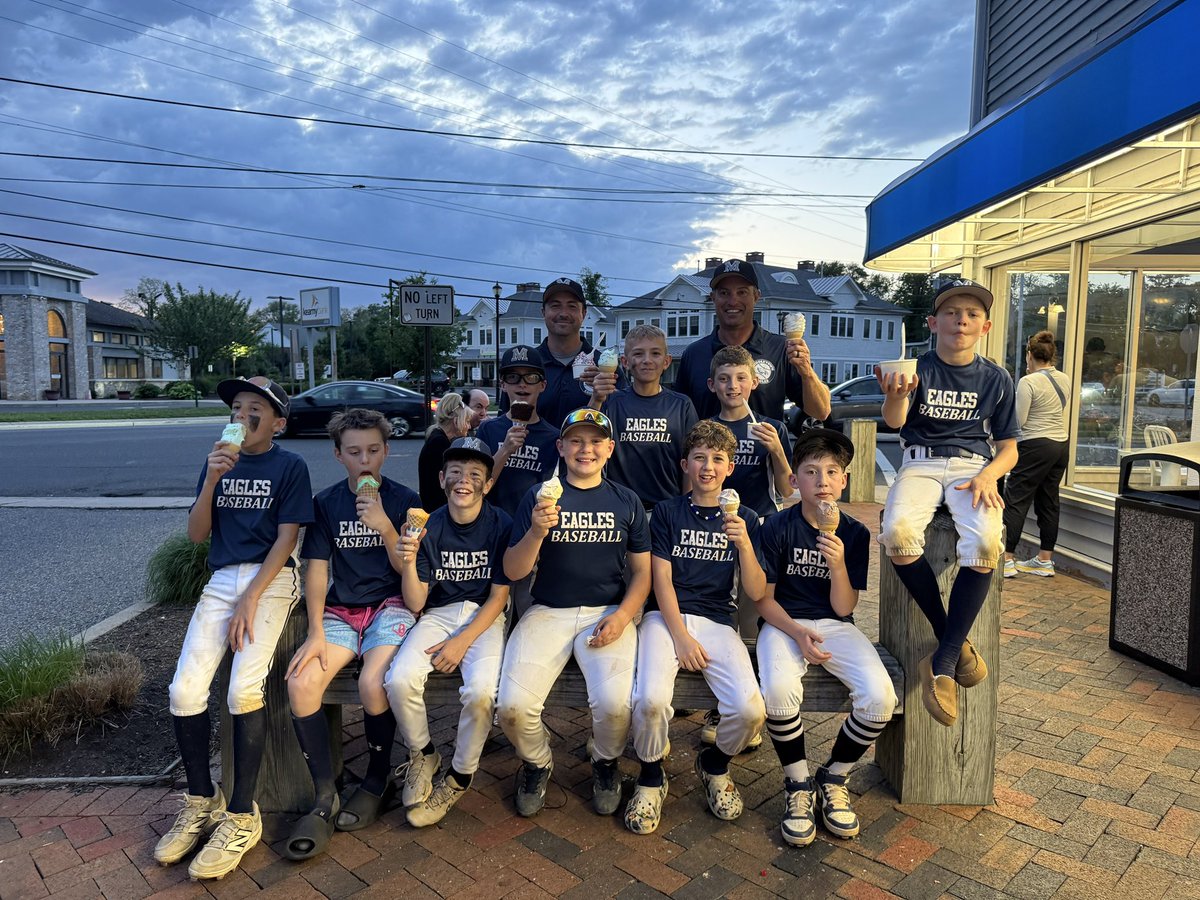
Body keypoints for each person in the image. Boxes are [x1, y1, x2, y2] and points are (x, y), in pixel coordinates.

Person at [154, 376, 313, 881]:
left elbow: (288, 539)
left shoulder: (290, 466)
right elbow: (198, 534)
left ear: (278, 422)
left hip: (271, 578)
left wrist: (252, 598)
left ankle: (242, 814)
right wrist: (211, 483)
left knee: (244, 689)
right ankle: (201, 800)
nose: (243, 415)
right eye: (238, 407)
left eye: (256, 409)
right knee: (184, 689)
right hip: (223, 577)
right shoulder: (217, 460)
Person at [878, 279, 1018, 728]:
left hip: (971, 468)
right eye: (953, 312)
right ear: (933, 321)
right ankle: (951, 642)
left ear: (986, 325)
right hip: (919, 462)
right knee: (898, 534)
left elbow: (1010, 447)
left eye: (972, 314)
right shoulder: (915, 367)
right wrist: (895, 395)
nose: (962, 319)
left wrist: (988, 474)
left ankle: (942, 665)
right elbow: (895, 421)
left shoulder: (996, 378)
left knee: (987, 544)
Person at [497, 408, 651, 818]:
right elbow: (514, 570)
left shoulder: (627, 500)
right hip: (548, 610)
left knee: (616, 706)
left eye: (596, 441)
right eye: (577, 441)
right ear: (561, 447)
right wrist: (535, 532)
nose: (587, 449)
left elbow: (642, 574)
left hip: (607, 611)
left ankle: (604, 761)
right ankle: (537, 761)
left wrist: (623, 616)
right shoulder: (539, 495)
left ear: (610, 449)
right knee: (511, 706)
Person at [283, 408, 419, 858]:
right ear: (339, 455)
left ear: (386, 452)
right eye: (355, 452)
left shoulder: (405, 501)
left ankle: (377, 778)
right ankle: (326, 793)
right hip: (342, 611)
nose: (366, 461)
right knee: (302, 682)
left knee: (371, 681)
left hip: (391, 606)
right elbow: (317, 570)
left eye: (374, 451)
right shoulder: (326, 504)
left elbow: (410, 572)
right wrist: (315, 630)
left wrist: (383, 526)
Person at [756, 428, 897, 846]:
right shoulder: (777, 526)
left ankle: (834, 776)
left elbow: (842, 608)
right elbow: (764, 601)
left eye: (831, 472)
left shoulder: (852, 533)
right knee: (779, 691)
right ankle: (798, 785)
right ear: (794, 480)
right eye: (811, 472)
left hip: (835, 625)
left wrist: (837, 564)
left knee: (880, 699)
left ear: (844, 481)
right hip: (784, 623)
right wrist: (798, 632)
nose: (821, 482)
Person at [626, 421, 766, 834]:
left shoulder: (746, 518)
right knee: (650, 700)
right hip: (665, 618)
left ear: (730, 468)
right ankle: (651, 775)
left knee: (749, 709)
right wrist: (681, 637)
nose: (708, 467)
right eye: (700, 458)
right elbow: (661, 580)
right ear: (686, 464)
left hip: (717, 618)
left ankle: (715, 764)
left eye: (717, 460)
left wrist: (743, 543)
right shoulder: (667, 512)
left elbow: (756, 591)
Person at [387, 436, 512, 827]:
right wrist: (408, 561)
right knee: (399, 679)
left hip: (484, 617)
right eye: (455, 472)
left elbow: (498, 598)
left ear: (488, 484)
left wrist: (461, 642)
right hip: (438, 613)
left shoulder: (501, 523)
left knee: (480, 694)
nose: (464, 480)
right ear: (441, 478)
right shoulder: (429, 525)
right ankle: (423, 752)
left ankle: (459, 774)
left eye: (475, 474)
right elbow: (414, 601)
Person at [673, 258, 830, 423]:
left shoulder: (781, 349)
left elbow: (821, 412)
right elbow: (679, 419)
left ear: (756, 296)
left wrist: (807, 372)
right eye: (724, 293)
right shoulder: (694, 354)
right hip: (710, 448)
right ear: (713, 298)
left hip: (765, 448)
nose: (733, 301)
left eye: (742, 292)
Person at [588, 324, 698, 510]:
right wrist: (596, 398)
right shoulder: (611, 401)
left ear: (667, 361)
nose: (647, 360)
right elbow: (586, 439)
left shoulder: (681, 405)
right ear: (625, 362)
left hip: (666, 508)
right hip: (619, 507)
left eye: (655, 353)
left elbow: (692, 459)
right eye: (638, 354)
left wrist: (687, 506)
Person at [501, 277, 627, 427]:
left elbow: (622, 421)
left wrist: (604, 394)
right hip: (534, 449)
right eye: (555, 306)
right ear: (543, 312)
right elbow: (503, 424)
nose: (563, 313)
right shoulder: (526, 365)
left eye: (572, 306)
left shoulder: (604, 368)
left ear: (584, 313)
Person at [1002, 330, 1071, 578]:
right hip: (1061, 445)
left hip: (1035, 444)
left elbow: (1018, 421)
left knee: (1016, 499)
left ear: (1029, 355)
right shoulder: (1064, 379)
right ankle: (1044, 560)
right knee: (1049, 500)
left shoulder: (1028, 382)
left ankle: (1007, 559)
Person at [708, 345, 794, 518]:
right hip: (717, 521)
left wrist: (777, 450)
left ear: (754, 382)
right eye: (724, 379)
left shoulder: (773, 429)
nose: (733, 386)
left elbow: (787, 490)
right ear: (712, 384)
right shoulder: (706, 430)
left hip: (763, 520)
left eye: (741, 378)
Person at [476, 346, 561, 517]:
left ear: (542, 385)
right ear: (503, 385)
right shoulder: (488, 429)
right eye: (513, 377)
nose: (522, 384)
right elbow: (476, 487)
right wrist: (505, 450)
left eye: (531, 377)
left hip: (531, 528)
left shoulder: (554, 437)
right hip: (492, 525)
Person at [418, 392, 470, 511]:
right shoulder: (440, 443)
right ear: (456, 421)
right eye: (466, 421)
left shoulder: (436, 435)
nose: (469, 427)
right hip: (436, 510)